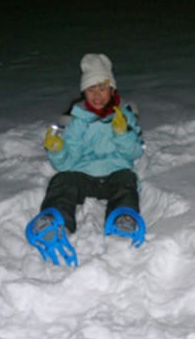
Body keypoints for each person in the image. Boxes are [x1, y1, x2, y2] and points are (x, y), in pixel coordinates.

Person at [27, 53, 145, 263]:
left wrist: (122, 134)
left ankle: (122, 218)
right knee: (62, 181)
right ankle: (55, 219)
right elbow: (67, 163)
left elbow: (134, 153)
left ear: (112, 89)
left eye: (102, 88)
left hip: (115, 172)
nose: (97, 95)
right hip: (83, 174)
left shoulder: (124, 116)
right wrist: (57, 150)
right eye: (91, 89)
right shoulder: (78, 120)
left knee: (127, 182)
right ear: (84, 92)